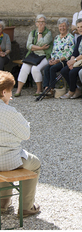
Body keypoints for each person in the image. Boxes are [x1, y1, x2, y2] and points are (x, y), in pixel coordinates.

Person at [0, 71, 40, 216]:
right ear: (4, 92)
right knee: (35, 164)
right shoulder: (9, 112)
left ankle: (3, 203)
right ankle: (26, 207)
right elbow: (25, 135)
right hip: (9, 160)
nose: (11, 96)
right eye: (10, 92)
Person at [14, 14, 53, 97]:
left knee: (35, 69)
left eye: (43, 22)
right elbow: (28, 46)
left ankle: (39, 89)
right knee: (24, 67)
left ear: (45, 23)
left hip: (45, 56)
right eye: (39, 22)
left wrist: (40, 33)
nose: (41, 24)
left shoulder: (48, 33)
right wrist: (41, 48)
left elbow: (41, 42)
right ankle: (18, 89)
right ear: (36, 23)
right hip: (34, 56)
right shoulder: (32, 33)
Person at [60, 18, 82, 99]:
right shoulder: (79, 38)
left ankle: (71, 91)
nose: (80, 29)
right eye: (78, 27)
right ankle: (76, 90)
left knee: (72, 72)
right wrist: (71, 61)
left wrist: (74, 60)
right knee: (64, 70)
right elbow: (75, 52)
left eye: (81, 27)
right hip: (78, 61)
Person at [43, 18, 75, 95]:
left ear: (67, 26)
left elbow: (70, 53)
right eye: (60, 26)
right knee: (46, 68)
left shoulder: (70, 37)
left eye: (64, 26)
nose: (62, 28)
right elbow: (54, 51)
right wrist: (52, 59)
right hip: (55, 60)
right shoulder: (57, 38)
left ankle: (52, 88)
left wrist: (58, 60)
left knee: (53, 68)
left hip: (64, 60)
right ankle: (46, 87)